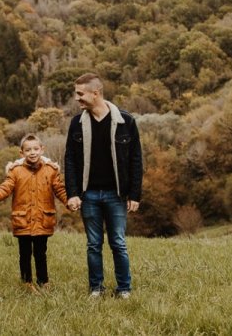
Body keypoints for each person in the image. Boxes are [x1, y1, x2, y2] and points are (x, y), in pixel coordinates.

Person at [64, 73, 142, 299]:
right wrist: (73, 193)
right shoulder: (76, 123)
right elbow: (70, 160)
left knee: (118, 242)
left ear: (95, 93)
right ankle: (96, 288)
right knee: (93, 244)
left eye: (80, 94)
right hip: (88, 195)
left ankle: (124, 288)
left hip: (116, 194)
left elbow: (136, 160)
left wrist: (134, 194)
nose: (77, 98)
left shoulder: (126, 121)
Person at [0, 134, 68, 292]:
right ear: (22, 153)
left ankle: (43, 281)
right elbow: (5, 189)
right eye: (28, 150)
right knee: (25, 253)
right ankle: (26, 282)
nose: (32, 152)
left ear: (42, 149)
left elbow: (60, 189)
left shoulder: (51, 171)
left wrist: (70, 201)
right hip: (23, 220)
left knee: (41, 253)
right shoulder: (16, 171)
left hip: (43, 219)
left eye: (35, 149)